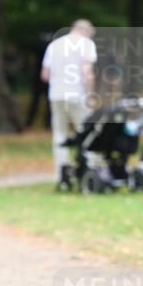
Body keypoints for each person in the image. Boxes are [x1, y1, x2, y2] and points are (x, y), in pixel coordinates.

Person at [40, 20, 97, 187]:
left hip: (56, 95)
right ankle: (89, 170)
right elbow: (87, 72)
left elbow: (45, 75)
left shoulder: (54, 45)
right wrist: (91, 95)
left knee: (60, 134)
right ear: (86, 32)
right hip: (77, 95)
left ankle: (61, 174)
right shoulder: (86, 44)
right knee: (87, 133)